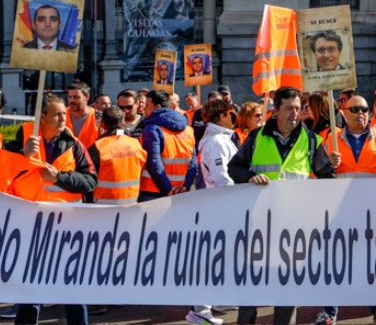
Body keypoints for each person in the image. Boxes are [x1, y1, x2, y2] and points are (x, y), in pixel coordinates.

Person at [228, 87, 335, 325]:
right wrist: (249, 177)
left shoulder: (311, 140)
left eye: (298, 108)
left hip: (293, 229)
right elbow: (233, 168)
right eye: (289, 108)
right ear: (275, 110)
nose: (295, 113)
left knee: (287, 290)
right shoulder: (257, 138)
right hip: (258, 227)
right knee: (251, 287)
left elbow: (328, 178)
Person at [5, 94, 97, 325]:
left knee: (72, 288)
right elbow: (1, 176)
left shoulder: (74, 144)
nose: (63, 118)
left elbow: (90, 180)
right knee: (30, 289)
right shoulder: (21, 140)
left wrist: (60, 177)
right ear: (42, 116)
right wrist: (22, 157)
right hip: (30, 227)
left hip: (67, 229)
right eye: (57, 114)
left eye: (64, 114)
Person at [317, 95, 376, 325]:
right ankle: (330, 312)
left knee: (373, 262)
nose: (361, 113)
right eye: (355, 109)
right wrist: (326, 164)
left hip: (373, 214)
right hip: (340, 213)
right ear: (343, 113)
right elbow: (317, 175)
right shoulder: (329, 139)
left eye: (364, 109)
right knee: (336, 262)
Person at [188, 98, 238, 325]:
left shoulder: (221, 139)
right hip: (222, 207)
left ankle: (219, 298)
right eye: (230, 113)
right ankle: (200, 309)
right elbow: (222, 178)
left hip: (223, 206)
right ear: (221, 115)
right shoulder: (217, 142)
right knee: (212, 258)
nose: (234, 116)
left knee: (224, 256)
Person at [138, 89, 196, 201]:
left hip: (153, 192)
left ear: (157, 107)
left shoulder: (152, 129)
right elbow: (193, 163)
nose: (144, 108)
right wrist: (186, 186)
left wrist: (168, 190)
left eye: (147, 105)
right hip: (181, 191)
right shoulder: (188, 130)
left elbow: (154, 163)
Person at [87, 105, 146, 206]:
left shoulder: (97, 147)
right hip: (132, 203)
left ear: (102, 124)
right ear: (123, 123)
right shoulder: (136, 144)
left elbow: (87, 181)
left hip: (103, 207)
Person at [65, 80, 100, 147]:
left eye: (76, 97)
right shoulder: (62, 114)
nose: (72, 100)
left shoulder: (97, 116)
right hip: (67, 156)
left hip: (90, 156)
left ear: (86, 97)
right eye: (70, 97)